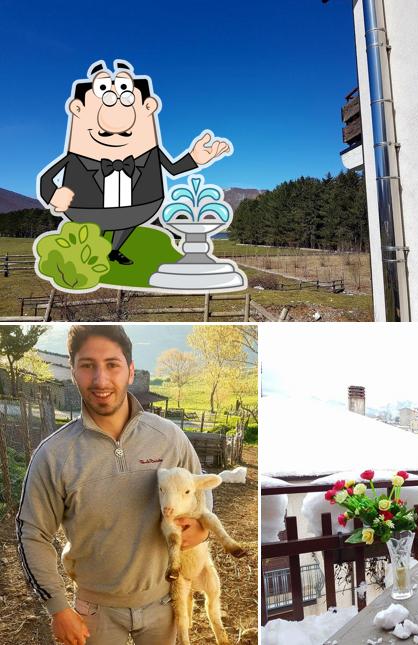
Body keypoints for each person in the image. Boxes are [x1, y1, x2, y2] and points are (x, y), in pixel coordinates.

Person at [16, 325, 213, 645]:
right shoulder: (54, 455)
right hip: (94, 611)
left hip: (165, 602)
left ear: (131, 370)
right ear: (73, 371)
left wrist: (201, 526)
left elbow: (199, 492)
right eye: (87, 366)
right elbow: (32, 533)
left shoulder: (169, 438)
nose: (101, 380)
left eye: (112, 365)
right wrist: (58, 609)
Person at [37, 60, 231, 265]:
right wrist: (52, 194)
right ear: (78, 109)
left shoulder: (151, 153)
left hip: (139, 206)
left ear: (149, 107)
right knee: (95, 231)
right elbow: (46, 178)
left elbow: (173, 169)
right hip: (88, 208)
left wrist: (194, 158)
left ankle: (114, 251)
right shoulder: (75, 158)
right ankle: (93, 252)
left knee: (126, 222)